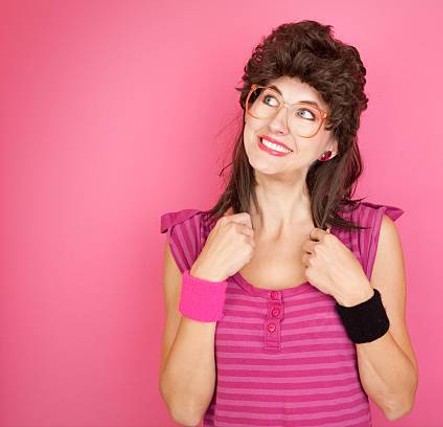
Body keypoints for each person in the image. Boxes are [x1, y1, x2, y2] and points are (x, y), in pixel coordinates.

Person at [159, 20, 418, 427]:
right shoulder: (189, 240)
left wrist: (357, 296)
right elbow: (184, 410)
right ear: (249, 106)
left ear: (331, 144)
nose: (276, 123)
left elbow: (398, 400)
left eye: (304, 113)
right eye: (268, 100)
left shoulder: (371, 237)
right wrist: (205, 280)